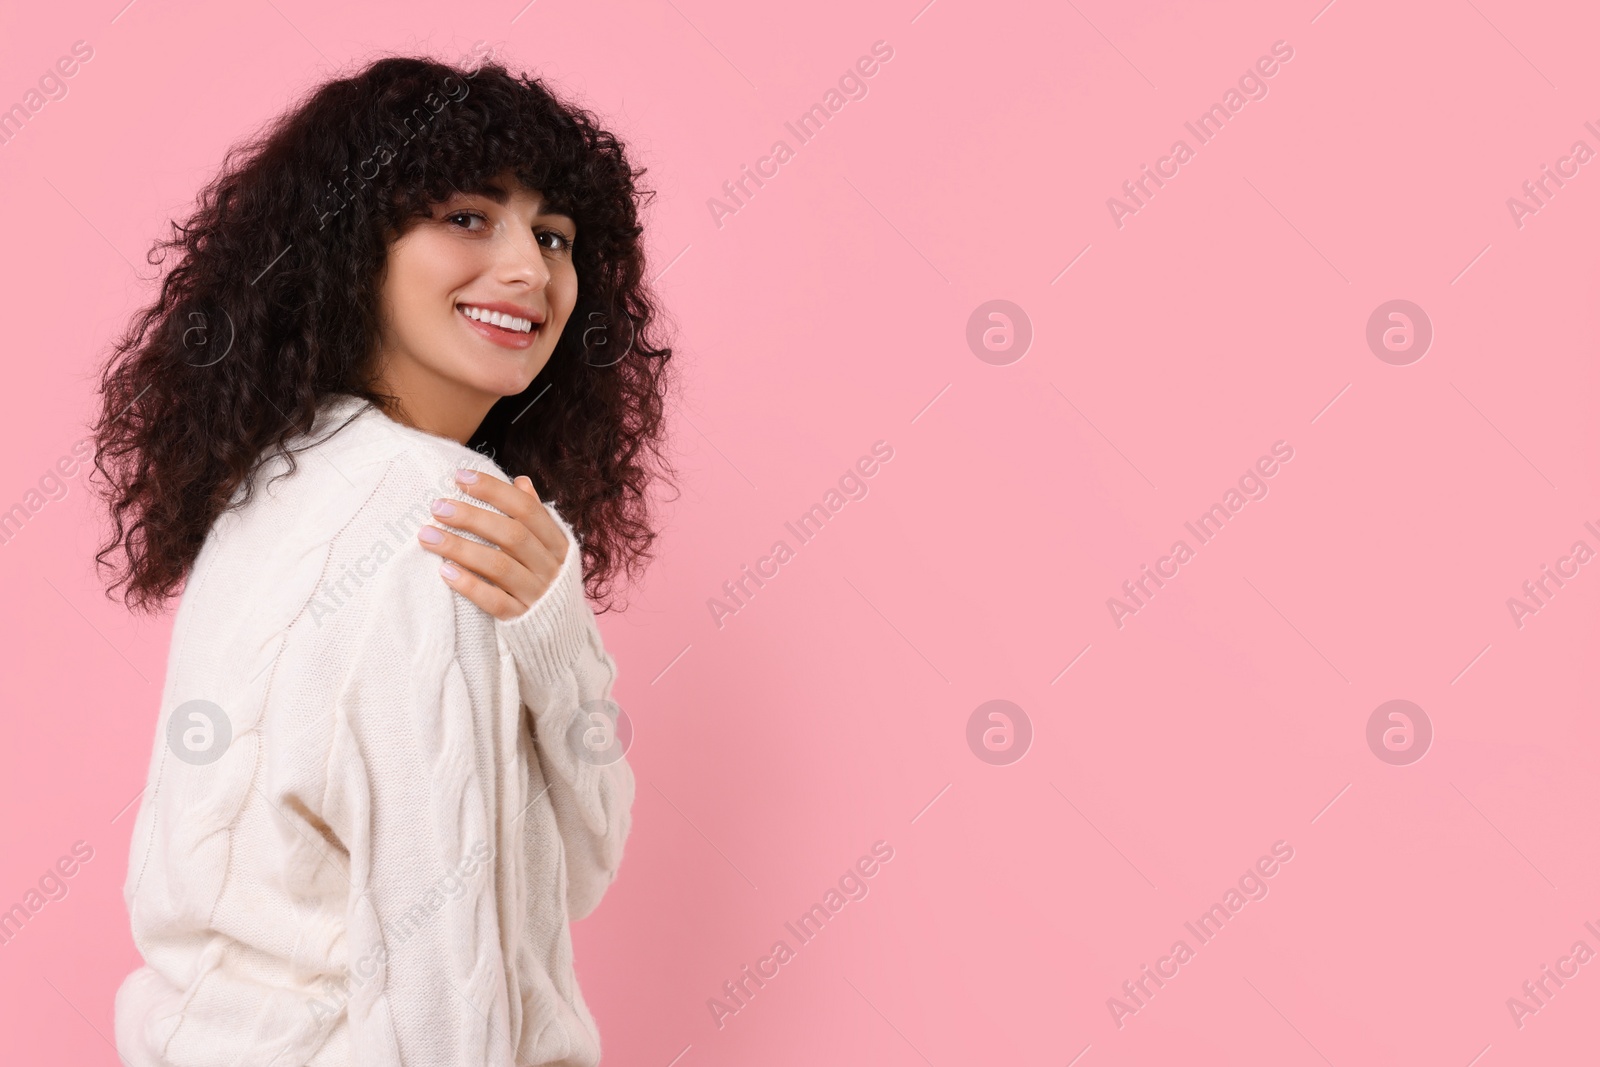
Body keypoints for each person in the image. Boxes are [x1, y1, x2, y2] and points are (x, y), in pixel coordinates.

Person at [88, 53, 677, 1066]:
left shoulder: (283, 482)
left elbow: (574, 862)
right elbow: (445, 968)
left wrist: (550, 636)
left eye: (553, 236)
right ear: (354, 243)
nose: (529, 271)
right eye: (467, 217)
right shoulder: (435, 519)